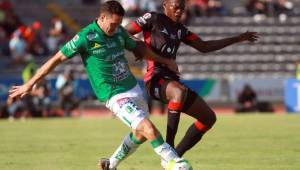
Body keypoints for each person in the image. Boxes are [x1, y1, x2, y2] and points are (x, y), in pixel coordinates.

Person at [8, 1, 191, 170]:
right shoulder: (86, 37)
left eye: (118, 24)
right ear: (102, 18)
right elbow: (56, 60)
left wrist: (165, 61)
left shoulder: (119, 31)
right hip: (113, 95)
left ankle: (110, 165)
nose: (115, 28)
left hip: (132, 88)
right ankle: (172, 161)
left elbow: (139, 48)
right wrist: (29, 84)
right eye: (112, 24)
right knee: (148, 128)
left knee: (141, 134)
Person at [125, 0, 259, 167]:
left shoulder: (181, 30)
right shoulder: (153, 18)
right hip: (154, 79)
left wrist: (238, 38)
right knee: (178, 93)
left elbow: (204, 46)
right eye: (176, 7)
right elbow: (124, 33)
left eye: (182, 8)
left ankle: (174, 157)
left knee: (208, 118)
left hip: (171, 81)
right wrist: (138, 47)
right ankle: (168, 150)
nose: (180, 11)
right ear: (165, 5)